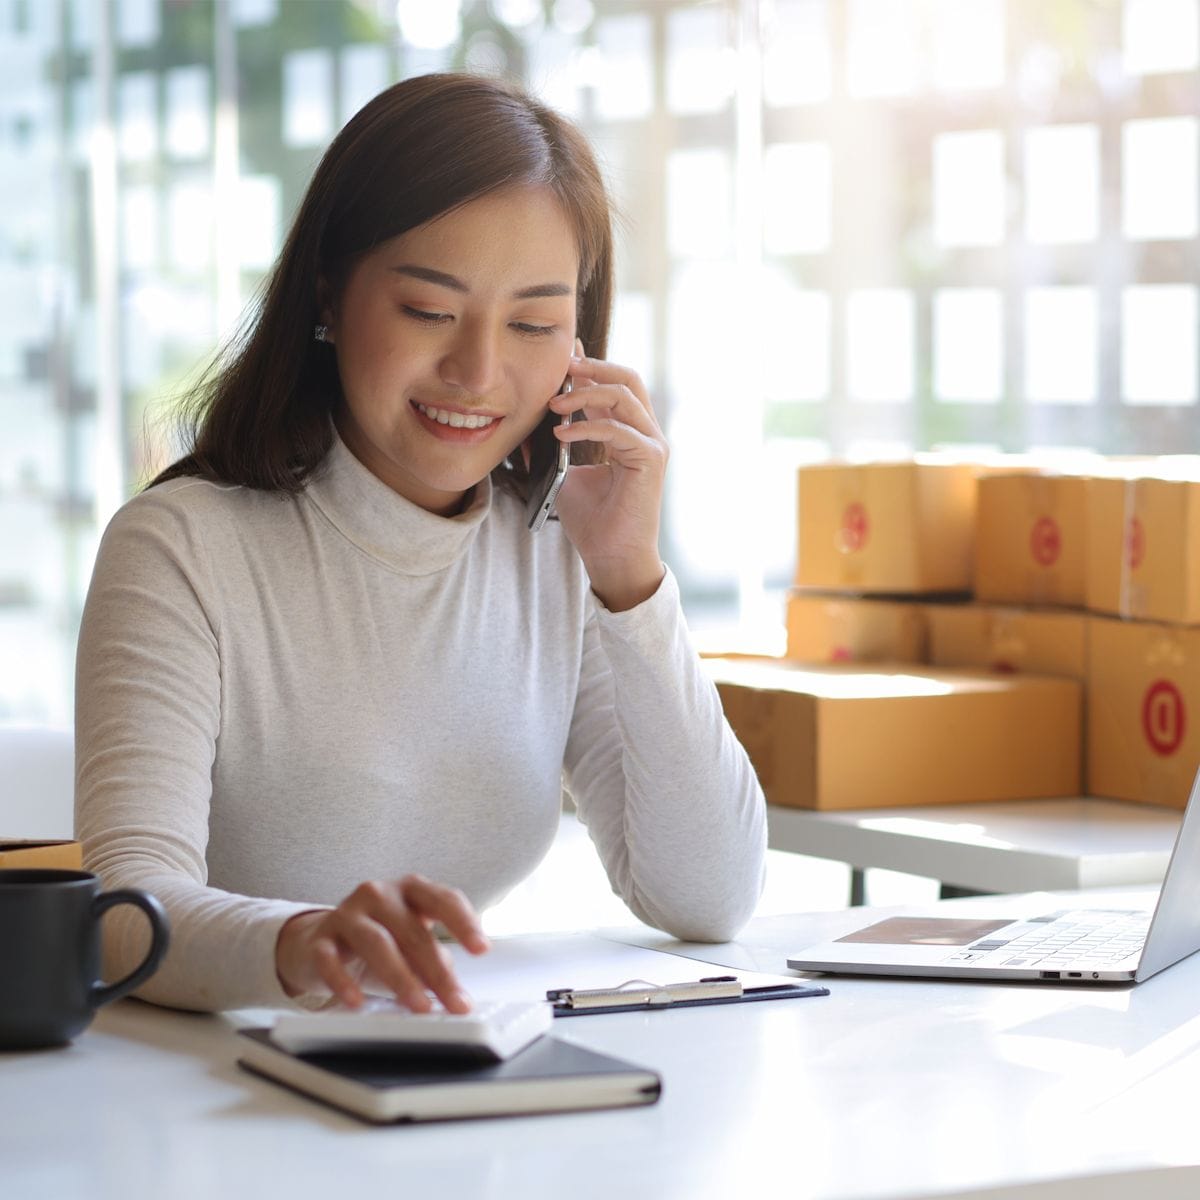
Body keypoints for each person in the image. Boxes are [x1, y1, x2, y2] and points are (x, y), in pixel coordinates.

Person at [74, 72, 766, 1015]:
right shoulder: (182, 549)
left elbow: (709, 898)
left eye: (532, 323)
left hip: (452, 1083)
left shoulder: (552, 551)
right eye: (429, 311)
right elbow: (125, 913)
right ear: (329, 294)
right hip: (222, 1092)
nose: (478, 372)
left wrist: (629, 579)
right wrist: (302, 944)